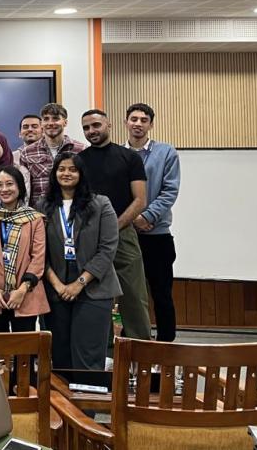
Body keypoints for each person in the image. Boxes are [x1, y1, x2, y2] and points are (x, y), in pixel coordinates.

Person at [40, 153, 121, 370]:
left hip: (94, 287)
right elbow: (38, 252)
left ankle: (89, 405)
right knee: (60, 357)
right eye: (61, 169)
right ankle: (62, 404)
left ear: (81, 174)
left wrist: (79, 284)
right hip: (56, 289)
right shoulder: (43, 206)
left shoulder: (101, 204)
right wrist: (58, 285)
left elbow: (107, 249)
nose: (66, 173)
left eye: (72, 169)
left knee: (88, 356)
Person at [79, 109, 151, 341]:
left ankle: (142, 352)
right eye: (87, 128)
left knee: (133, 295)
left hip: (124, 235)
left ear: (109, 125)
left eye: (96, 125)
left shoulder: (130, 158)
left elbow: (140, 200)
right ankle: (105, 354)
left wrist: (113, 228)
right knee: (96, 297)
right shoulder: (79, 161)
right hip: (89, 239)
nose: (92, 131)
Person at [125, 103, 180, 342]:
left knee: (162, 294)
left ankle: (167, 344)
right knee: (130, 295)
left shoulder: (167, 152)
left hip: (157, 236)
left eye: (143, 120)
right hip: (126, 236)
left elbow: (170, 190)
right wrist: (130, 220)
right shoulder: (117, 153)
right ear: (126, 122)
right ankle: (133, 342)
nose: (138, 123)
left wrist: (147, 216)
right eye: (134, 119)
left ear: (151, 124)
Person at [0, 166, 49, 332]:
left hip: (26, 293)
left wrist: (22, 290)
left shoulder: (35, 218)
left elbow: (38, 257)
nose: (4, 189)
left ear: (20, 187)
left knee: (25, 352)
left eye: (9, 184)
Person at [19, 103, 85, 207]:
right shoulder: (27, 152)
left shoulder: (80, 150)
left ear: (65, 122)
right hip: (40, 214)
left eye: (55, 119)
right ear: (41, 124)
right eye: (46, 119)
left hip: (74, 211)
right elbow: (24, 189)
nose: (50, 123)